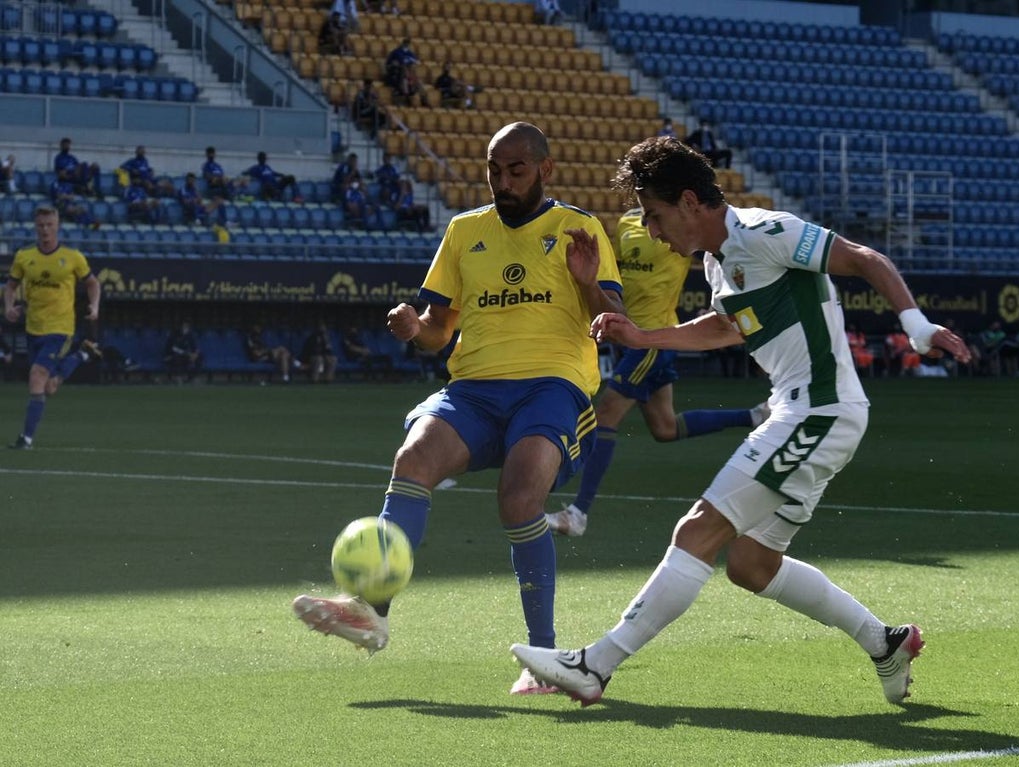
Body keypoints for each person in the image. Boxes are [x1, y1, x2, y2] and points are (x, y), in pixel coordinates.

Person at [511, 135, 971, 707]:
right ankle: (884, 641)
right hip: (804, 412)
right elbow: (727, 328)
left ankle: (596, 665)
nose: (651, 231)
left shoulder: (765, 231)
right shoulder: (717, 260)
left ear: (688, 201)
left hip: (818, 411)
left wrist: (916, 324)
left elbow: (863, 258)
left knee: (697, 529)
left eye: (654, 216)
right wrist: (642, 335)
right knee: (751, 566)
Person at [292, 122, 625, 696]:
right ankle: (372, 612)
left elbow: (611, 321)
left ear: (545, 170)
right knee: (414, 457)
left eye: (515, 170)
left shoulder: (578, 227)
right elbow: (438, 332)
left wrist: (589, 282)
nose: (502, 181)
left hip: (552, 384)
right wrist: (413, 327)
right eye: (493, 170)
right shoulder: (464, 230)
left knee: (520, 496)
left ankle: (544, 658)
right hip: (472, 387)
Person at [547, 207, 768, 537]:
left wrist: (719, 300)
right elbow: (618, 272)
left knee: (606, 413)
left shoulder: (676, 224)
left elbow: (716, 249)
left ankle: (578, 513)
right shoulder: (624, 223)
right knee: (665, 427)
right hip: (627, 334)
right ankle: (754, 417)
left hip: (654, 337)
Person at [5, 205, 102, 449]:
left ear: (57, 226)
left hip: (61, 328)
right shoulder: (24, 256)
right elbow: (11, 286)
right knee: (48, 386)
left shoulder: (72, 257)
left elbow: (93, 283)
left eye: (50, 225)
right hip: (33, 328)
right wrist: (9, 307)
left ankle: (25, 439)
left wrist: (94, 306)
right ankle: (82, 354)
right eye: (41, 225)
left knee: (36, 376)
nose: (45, 230)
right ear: (35, 227)